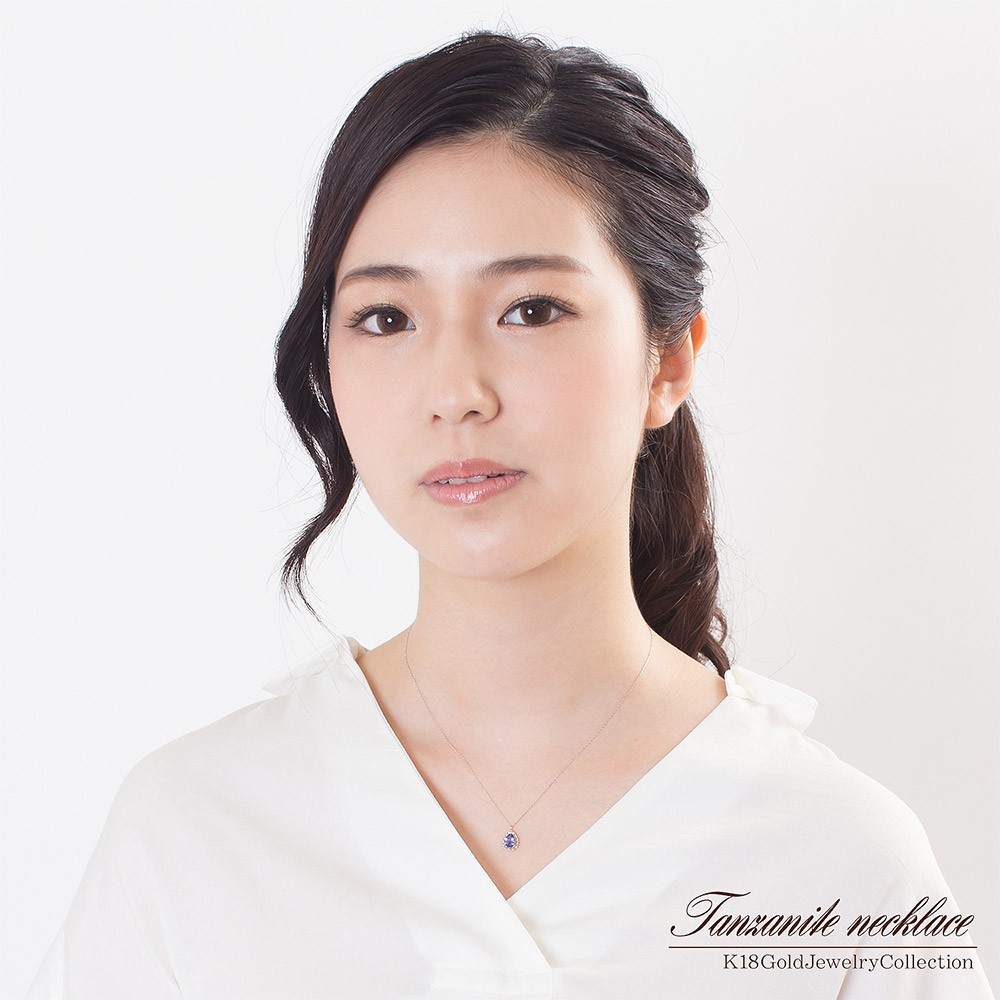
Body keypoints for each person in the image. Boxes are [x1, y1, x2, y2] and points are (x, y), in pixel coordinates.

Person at [24, 29, 995, 1000]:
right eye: (387, 318)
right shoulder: (196, 832)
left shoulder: (835, 862)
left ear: (668, 360)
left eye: (530, 309)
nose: (456, 392)